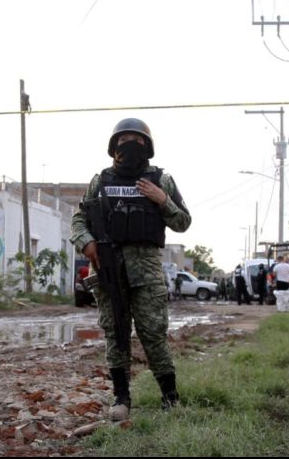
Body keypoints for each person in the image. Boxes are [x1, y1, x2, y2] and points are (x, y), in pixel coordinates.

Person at [70, 117, 191, 422]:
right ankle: (121, 398)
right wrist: (87, 243)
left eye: (137, 141)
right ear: (114, 147)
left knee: (153, 334)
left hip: (147, 273)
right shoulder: (101, 181)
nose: (130, 145)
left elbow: (183, 223)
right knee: (116, 334)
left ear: (147, 147)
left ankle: (170, 397)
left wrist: (163, 200)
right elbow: (79, 220)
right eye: (124, 140)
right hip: (109, 268)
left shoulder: (161, 180)